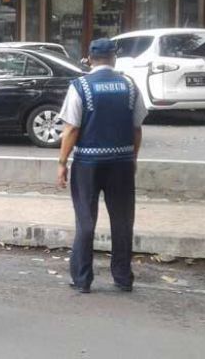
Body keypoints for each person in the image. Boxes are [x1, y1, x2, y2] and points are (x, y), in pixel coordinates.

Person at [57, 38, 148, 294]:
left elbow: (72, 128)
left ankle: (83, 279)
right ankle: (122, 277)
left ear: (89, 58)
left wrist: (62, 162)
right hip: (121, 163)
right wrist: (133, 158)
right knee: (122, 221)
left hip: (88, 163)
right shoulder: (130, 86)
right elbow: (137, 128)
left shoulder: (81, 86)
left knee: (85, 220)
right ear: (114, 58)